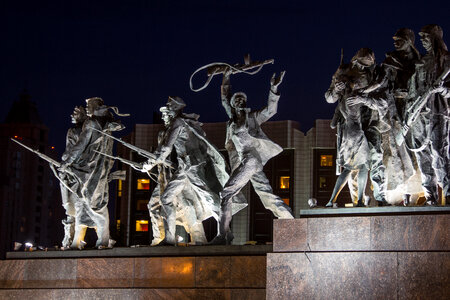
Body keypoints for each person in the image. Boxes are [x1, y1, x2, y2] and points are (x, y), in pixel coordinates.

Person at [142, 96, 247, 245]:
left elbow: (166, 148)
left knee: (209, 198)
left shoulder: (178, 122)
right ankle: (170, 238)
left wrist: (149, 164)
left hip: (192, 167)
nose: (167, 108)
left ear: (176, 108)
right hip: (184, 167)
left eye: (169, 106)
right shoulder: (183, 122)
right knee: (166, 198)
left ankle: (224, 233)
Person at [211, 69, 294, 245]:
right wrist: (226, 76)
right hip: (246, 162)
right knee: (266, 194)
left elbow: (271, 110)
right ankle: (290, 220)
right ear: (233, 105)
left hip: (251, 159)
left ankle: (223, 235)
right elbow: (224, 98)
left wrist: (273, 89)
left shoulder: (252, 118)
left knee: (226, 194)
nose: (240, 101)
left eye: (243, 99)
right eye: (237, 99)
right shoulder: (232, 121)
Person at [60, 97, 126, 249]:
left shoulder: (92, 123)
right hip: (96, 169)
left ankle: (103, 239)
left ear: (95, 107)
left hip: (91, 171)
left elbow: (80, 145)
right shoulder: (106, 124)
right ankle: (78, 240)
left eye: (89, 105)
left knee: (94, 204)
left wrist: (67, 162)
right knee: (83, 203)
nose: (87, 108)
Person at [325, 48, 388, 207]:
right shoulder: (343, 72)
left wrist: (363, 99)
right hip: (351, 124)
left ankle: (379, 196)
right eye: (360, 64)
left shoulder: (375, 75)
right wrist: (336, 90)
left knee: (376, 158)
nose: (362, 68)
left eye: (365, 65)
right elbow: (329, 98)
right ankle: (354, 200)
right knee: (354, 165)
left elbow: (383, 102)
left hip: (370, 122)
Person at [405, 24, 450, 205]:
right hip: (419, 117)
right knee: (422, 156)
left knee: (440, 152)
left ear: (435, 38)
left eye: (426, 37)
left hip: (438, 113)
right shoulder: (421, 62)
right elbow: (412, 90)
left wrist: (443, 89)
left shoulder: (446, 60)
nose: (422, 41)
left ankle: (448, 192)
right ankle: (430, 195)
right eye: (421, 37)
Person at [58, 106, 87, 249]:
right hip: (76, 173)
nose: (72, 115)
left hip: (75, 173)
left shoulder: (77, 131)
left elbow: (70, 151)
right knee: (73, 206)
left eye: (76, 113)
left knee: (74, 206)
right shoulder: (85, 131)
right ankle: (69, 239)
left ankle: (71, 240)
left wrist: (66, 161)